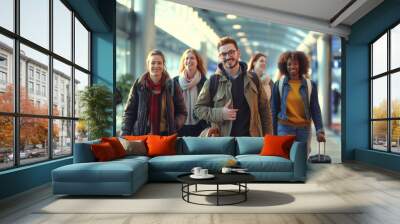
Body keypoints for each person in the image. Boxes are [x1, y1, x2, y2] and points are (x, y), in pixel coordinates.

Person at [194, 36, 272, 137]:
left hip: (251, 140)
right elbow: (198, 109)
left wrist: (268, 138)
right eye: (224, 54)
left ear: (238, 53)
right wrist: (220, 113)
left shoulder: (253, 79)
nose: (228, 57)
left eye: (231, 52)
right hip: (223, 142)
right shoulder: (213, 81)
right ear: (219, 57)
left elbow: (265, 110)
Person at [121, 49, 187, 136]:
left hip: (165, 137)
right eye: (153, 63)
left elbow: (182, 112)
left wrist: (173, 125)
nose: (156, 65)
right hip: (142, 137)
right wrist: (124, 135)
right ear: (148, 65)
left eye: (159, 63)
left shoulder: (172, 85)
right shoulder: (139, 85)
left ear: (163, 65)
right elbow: (129, 112)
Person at [271, 51, 326, 154]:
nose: (292, 66)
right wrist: (273, 133)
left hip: (304, 129)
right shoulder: (279, 85)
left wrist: (320, 130)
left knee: (302, 160)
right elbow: (273, 110)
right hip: (284, 128)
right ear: (284, 66)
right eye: (289, 64)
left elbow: (315, 109)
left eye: (295, 64)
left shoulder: (310, 85)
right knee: (285, 159)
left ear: (301, 65)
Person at [173, 49, 208, 136]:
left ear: (197, 61)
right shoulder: (175, 82)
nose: (189, 61)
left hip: (200, 126)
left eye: (192, 58)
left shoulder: (205, 82)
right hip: (179, 126)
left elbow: (208, 105)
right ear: (183, 62)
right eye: (186, 58)